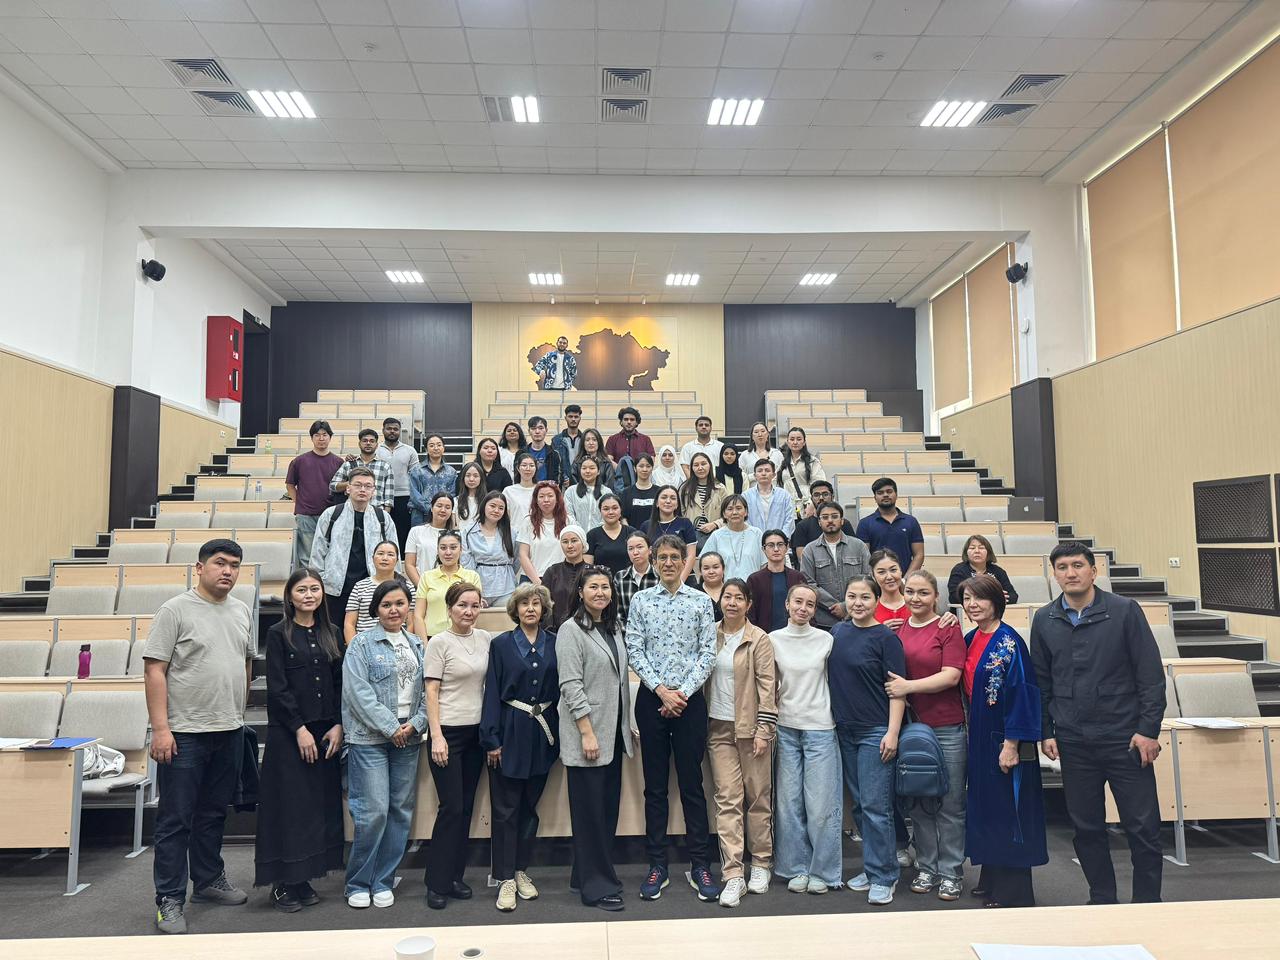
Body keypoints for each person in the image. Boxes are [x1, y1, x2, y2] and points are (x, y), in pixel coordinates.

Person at [1033, 542, 1165, 906]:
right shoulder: (1045, 619)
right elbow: (1041, 682)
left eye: (1078, 565)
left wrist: (1148, 730)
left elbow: (1150, 676)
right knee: (1087, 828)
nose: (1070, 573)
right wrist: (1046, 730)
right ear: (1054, 574)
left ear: (1094, 571)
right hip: (1074, 741)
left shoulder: (1124, 611)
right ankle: (1102, 900)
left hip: (1125, 738)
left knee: (1143, 828)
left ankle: (1147, 904)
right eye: (1062, 567)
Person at [143, 539, 255, 934]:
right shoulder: (175, 610)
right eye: (220, 563)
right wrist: (161, 728)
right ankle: (169, 899)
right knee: (176, 820)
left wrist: (237, 715)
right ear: (200, 567)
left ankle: (207, 882)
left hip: (228, 730)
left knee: (213, 813)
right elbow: (154, 670)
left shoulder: (242, 610)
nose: (228, 571)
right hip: (184, 733)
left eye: (234, 565)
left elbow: (245, 663)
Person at [625, 535, 721, 903]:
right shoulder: (641, 600)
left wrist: (681, 693)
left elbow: (707, 654)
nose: (668, 563)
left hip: (690, 703)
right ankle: (657, 865)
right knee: (655, 787)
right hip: (652, 701)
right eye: (662, 557)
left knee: (693, 785)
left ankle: (700, 865)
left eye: (674, 557)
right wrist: (662, 691)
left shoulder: (700, 602)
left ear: (684, 562)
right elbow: (634, 649)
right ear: (653, 561)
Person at [255, 569, 344, 912]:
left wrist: (338, 724)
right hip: (290, 735)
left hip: (325, 734)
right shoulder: (278, 634)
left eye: (314, 589)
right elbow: (277, 689)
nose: (309, 595)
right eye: (302, 590)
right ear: (290, 597)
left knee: (315, 809)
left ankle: (303, 877)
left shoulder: (332, 632)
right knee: (289, 809)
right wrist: (299, 729)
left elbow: (339, 683)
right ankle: (282, 883)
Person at [960, 574, 1047, 908]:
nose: (972, 605)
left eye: (979, 598)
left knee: (1011, 812)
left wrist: (1011, 745)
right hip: (980, 737)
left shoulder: (1010, 642)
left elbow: (1023, 694)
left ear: (996, 601)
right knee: (988, 808)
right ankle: (992, 877)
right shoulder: (971, 638)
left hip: (1005, 740)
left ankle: (1014, 892)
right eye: (967, 599)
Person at [884, 569, 967, 902]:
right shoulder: (897, 630)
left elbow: (951, 677)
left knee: (950, 804)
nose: (915, 598)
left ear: (936, 597)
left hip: (947, 727)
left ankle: (951, 872)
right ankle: (927, 867)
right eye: (910, 592)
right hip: (912, 730)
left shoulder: (948, 628)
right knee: (918, 802)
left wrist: (909, 687)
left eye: (923, 593)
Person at [342, 580, 425, 910]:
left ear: (408, 607)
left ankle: (384, 880)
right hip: (370, 737)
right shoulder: (361, 644)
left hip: (409, 735)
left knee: (400, 811)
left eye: (400, 604)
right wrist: (391, 727)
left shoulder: (417, 644)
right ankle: (358, 882)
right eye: (387, 604)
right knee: (372, 811)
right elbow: (357, 693)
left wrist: (416, 723)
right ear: (376, 609)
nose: (394, 610)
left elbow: (429, 691)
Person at [557, 567, 633, 911]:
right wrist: (586, 732)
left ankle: (582, 876)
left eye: (605, 587)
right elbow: (570, 685)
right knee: (590, 815)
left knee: (605, 810)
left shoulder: (613, 627)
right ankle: (597, 887)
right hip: (587, 735)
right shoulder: (570, 630)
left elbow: (617, 681)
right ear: (580, 592)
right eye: (593, 587)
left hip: (613, 733)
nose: (600, 592)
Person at [480, 583, 559, 912]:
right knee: (505, 809)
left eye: (536, 603)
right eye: (524, 603)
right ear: (515, 609)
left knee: (529, 808)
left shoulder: (555, 642)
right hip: (509, 731)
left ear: (544, 609)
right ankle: (504, 878)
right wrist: (492, 739)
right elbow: (491, 692)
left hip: (542, 733)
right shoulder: (500, 644)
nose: (530, 608)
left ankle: (521, 870)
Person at [830, 576, 907, 905]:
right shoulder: (838, 632)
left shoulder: (886, 639)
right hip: (844, 730)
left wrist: (892, 732)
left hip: (876, 732)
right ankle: (874, 866)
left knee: (877, 807)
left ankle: (885, 875)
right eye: (852, 596)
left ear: (877, 601)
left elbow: (897, 690)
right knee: (861, 806)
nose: (857, 603)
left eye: (865, 597)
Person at [705, 578, 776, 906]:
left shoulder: (758, 638)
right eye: (727, 597)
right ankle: (733, 874)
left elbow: (768, 686)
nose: (731, 603)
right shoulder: (710, 634)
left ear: (748, 604)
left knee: (758, 798)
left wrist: (764, 729)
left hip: (751, 730)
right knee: (727, 800)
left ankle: (760, 863)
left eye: (738, 598)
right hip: (718, 729)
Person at [769, 583, 841, 896]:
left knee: (821, 804)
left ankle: (823, 871)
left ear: (814, 610)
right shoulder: (772, 640)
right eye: (798, 602)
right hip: (785, 727)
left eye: (809, 604)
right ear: (787, 604)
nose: (803, 608)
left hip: (820, 728)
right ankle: (795, 867)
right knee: (788, 803)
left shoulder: (827, 639)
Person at [424, 583, 492, 910]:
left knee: (465, 809)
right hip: (447, 734)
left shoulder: (486, 639)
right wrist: (436, 736)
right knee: (450, 808)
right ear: (449, 608)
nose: (469, 611)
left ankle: (455, 877)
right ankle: (436, 882)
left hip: (475, 734)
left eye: (474, 606)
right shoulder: (438, 642)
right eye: (463, 605)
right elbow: (431, 692)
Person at [311, 468, 398, 628]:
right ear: (348, 488)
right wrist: (321, 581)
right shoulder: (331, 515)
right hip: (335, 588)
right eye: (358, 485)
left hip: (372, 588)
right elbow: (317, 552)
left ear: (373, 490)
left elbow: (393, 553)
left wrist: (392, 584)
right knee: (334, 633)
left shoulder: (383, 518)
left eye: (368, 486)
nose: (363, 489)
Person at [800, 501, 871, 630]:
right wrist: (834, 606)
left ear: (842, 520)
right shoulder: (810, 550)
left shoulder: (859, 546)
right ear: (819, 522)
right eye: (825, 517)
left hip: (858, 616)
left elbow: (868, 578)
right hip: (824, 621)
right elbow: (809, 584)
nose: (830, 520)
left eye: (834, 516)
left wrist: (845, 606)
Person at [286, 420, 344, 565]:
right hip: (306, 515)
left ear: (330, 437)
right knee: (307, 555)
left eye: (325, 435)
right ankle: (310, 579)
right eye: (317, 435)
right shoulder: (299, 461)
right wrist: (299, 503)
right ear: (311, 438)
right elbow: (290, 485)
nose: (321, 438)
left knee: (329, 552)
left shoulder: (338, 462)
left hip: (331, 515)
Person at [344, 539, 417, 643]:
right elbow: (349, 624)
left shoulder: (407, 587)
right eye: (380, 553)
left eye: (390, 554)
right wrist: (354, 648)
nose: (385, 558)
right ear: (373, 558)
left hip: (397, 643)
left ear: (397, 560)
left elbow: (411, 623)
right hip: (364, 644)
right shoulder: (359, 586)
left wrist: (405, 644)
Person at [415, 531, 483, 639]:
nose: (448, 552)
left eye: (453, 547)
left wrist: (464, 639)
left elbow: (474, 612)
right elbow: (418, 615)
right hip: (431, 637)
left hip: (461, 636)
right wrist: (425, 645)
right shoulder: (426, 577)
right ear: (437, 550)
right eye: (443, 548)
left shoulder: (472, 576)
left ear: (461, 550)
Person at [855, 478, 924, 574]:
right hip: (877, 580)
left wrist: (905, 579)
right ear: (875, 498)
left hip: (905, 579)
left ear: (896, 495)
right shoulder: (865, 523)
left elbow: (919, 555)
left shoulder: (911, 522)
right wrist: (875, 578)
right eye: (880, 493)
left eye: (889, 491)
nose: (885, 495)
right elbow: (864, 558)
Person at [462, 491, 520, 607]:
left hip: (506, 587)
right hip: (478, 587)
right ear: (484, 506)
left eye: (501, 508)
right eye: (492, 506)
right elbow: (466, 562)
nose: (496, 510)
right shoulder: (468, 531)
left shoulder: (512, 532)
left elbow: (517, 560)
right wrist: (473, 589)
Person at [746, 530, 805, 632]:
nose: (776, 549)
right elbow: (750, 613)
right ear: (763, 549)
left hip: (795, 634)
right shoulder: (754, 580)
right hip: (764, 636)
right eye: (771, 545)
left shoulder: (797, 577)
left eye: (780, 544)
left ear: (787, 547)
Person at [700, 495, 765, 582]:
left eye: (738, 508)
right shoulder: (716, 536)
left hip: (753, 586)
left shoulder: (757, 534)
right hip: (725, 588)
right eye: (730, 509)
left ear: (746, 512)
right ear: (724, 514)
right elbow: (702, 562)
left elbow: (764, 564)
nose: (734, 512)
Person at [516, 480, 569, 584]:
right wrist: (538, 583)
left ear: (557, 499)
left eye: (550, 496)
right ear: (536, 500)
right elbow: (523, 555)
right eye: (541, 496)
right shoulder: (528, 522)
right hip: (531, 580)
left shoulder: (568, 521)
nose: (546, 500)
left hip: (560, 580)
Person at [377, 418, 418, 553]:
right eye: (389, 429)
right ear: (383, 430)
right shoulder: (376, 450)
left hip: (403, 497)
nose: (392, 431)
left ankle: (402, 560)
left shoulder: (410, 450)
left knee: (402, 532)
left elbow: (415, 476)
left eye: (395, 429)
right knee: (382, 531)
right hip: (381, 498)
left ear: (400, 431)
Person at [332, 428, 395, 512]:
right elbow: (333, 486)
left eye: (372, 441)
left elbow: (389, 498)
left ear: (376, 445)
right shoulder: (349, 464)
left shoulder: (385, 466)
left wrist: (384, 515)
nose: (368, 443)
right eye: (365, 441)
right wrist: (351, 483)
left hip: (376, 511)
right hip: (351, 511)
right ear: (359, 444)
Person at [792, 481, 855, 564]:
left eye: (825, 494)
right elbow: (802, 559)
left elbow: (853, 551)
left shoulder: (843, 523)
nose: (821, 498)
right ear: (811, 499)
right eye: (816, 495)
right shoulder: (802, 526)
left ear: (832, 497)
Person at [644, 485, 697, 582]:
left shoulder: (685, 523)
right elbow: (645, 556)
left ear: (677, 505)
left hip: (684, 578)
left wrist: (679, 582)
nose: (668, 501)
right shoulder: (646, 526)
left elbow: (691, 556)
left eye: (673, 498)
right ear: (656, 503)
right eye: (664, 497)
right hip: (654, 580)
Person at [947, 535, 1019, 605]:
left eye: (981, 548)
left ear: (988, 552)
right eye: (972, 548)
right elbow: (954, 597)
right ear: (966, 553)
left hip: (993, 611)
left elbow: (1013, 596)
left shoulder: (998, 571)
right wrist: (991, 597)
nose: (977, 551)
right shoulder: (959, 570)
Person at [404, 491, 455, 588]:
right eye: (439, 506)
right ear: (431, 508)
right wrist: (422, 587)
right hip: (422, 586)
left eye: (447, 507)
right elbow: (409, 564)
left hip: (449, 588)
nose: (443, 510)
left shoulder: (455, 536)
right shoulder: (416, 531)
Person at [542, 526, 589, 630]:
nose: (570, 546)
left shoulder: (592, 572)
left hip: (586, 629)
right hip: (556, 631)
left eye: (574, 541)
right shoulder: (552, 572)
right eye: (565, 542)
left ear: (583, 543)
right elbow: (545, 604)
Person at [409, 434, 457, 527]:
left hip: (443, 514)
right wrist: (431, 509)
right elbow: (414, 495)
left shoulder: (451, 472)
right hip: (420, 515)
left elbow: (452, 494)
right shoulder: (416, 470)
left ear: (443, 448)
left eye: (439, 445)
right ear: (426, 449)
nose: (436, 448)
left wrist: (439, 510)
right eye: (431, 445)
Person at [779, 427, 827, 519]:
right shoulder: (783, 464)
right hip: (788, 509)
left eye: (799, 439)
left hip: (807, 507)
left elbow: (819, 485)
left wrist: (812, 505)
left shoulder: (813, 461)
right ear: (788, 442)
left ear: (804, 442)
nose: (795, 442)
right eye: (792, 439)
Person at [680, 452, 726, 547]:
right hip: (690, 538)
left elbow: (728, 515)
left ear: (710, 465)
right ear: (692, 468)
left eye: (703, 464)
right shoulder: (684, 488)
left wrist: (715, 524)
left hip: (715, 537)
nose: (700, 468)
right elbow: (680, 514)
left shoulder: (720, 488)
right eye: (696, 465)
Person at [614, 530, 658, 627]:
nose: (635, 552)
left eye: (640, 547)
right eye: (630, 549)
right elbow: (618, 613)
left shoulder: (659, 576)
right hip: (627, 632)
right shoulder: (620, 577)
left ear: (650, 550)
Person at [584, 493, 636, 573]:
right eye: (606, 509)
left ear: (621, 510)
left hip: (627, 579)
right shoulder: (592, 535)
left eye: (615, 508)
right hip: (601, 579)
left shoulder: (632, 533)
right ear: (600, 511)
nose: (611, 512)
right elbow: (588, 568)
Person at [743, 460, 796, 536]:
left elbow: (790, 520)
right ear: (754, 475)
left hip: (780, 540)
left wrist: (781, 539)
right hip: (753, 539)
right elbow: (744, 520)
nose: (763, 473)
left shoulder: (784, 495)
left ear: (774, 475)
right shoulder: (746, 496)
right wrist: (754, 538)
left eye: (767, 470)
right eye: (760, 471)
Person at [605, 405, 655, 484]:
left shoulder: (646, 439)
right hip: (618, 482)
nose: (629, 422)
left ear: (636, 422)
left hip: (640, 480)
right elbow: (609, 460)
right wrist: (623, 471)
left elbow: (651, 460)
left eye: (632, 419)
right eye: (626, 419)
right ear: (621, 422)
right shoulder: (612, 439)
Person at [564, 456, 612, 529]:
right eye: (584, 468)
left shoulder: (606, 492)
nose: (587, 471)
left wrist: (597, 532)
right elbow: (568, 515)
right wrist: (579, 531)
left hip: (600, 533)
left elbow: (608, 515)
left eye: (592, 468)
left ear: (598, 471)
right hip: (577, 533)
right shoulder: (570, 491)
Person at [870, 549, 910, 631]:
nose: (889, 577)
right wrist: (881, 632)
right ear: (873, 577)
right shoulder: (869, 609)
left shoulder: (915, 604)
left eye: (893, 570)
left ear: (901, 571)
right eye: (881, 572)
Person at [619, 453, 657, 527]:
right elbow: (623, 517)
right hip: (632, 533)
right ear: (634, 468)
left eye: (648, 466)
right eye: (641, 466)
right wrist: (631, 531)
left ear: (652, 468)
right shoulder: (626, 493)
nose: (644, 469)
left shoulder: (659, 492)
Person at [551, 402, 584, 486]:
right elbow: (555, 463)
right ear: (565, 418)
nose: (573, 419)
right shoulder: (556, 440)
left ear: (580, 418)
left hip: (582, 481)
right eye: (570, 416)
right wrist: (563, 478)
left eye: (576, 417)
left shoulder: (585, 439)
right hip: (564, 483)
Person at [524, 415, 563, 485]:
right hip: (527, 489)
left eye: (541, 428)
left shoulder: (554, 454)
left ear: (546, 430)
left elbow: (558, 478)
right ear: (529, 431)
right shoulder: (521, 453)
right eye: (533, 428)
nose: (537, 431)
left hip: (547, 490)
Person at [503, 450, 539, 521]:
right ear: (518, 468)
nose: (528, 469)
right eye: (524, 465)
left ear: (536, 468)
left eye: (531, 465)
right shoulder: (509, 491)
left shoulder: (540, 490)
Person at [454, 462, 487, 535]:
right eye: (468, 475)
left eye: (475, 476)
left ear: (481, 478)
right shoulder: (456, 501)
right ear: (463, 478)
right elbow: (453, 526)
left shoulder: (487, 501)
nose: (471, 479)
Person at [696, 551, 727, 622]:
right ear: (700, 571)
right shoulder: (693, 593)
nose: (711, 572)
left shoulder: (731, 591)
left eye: (715, 567)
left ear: (723, 569)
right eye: (706, 568)